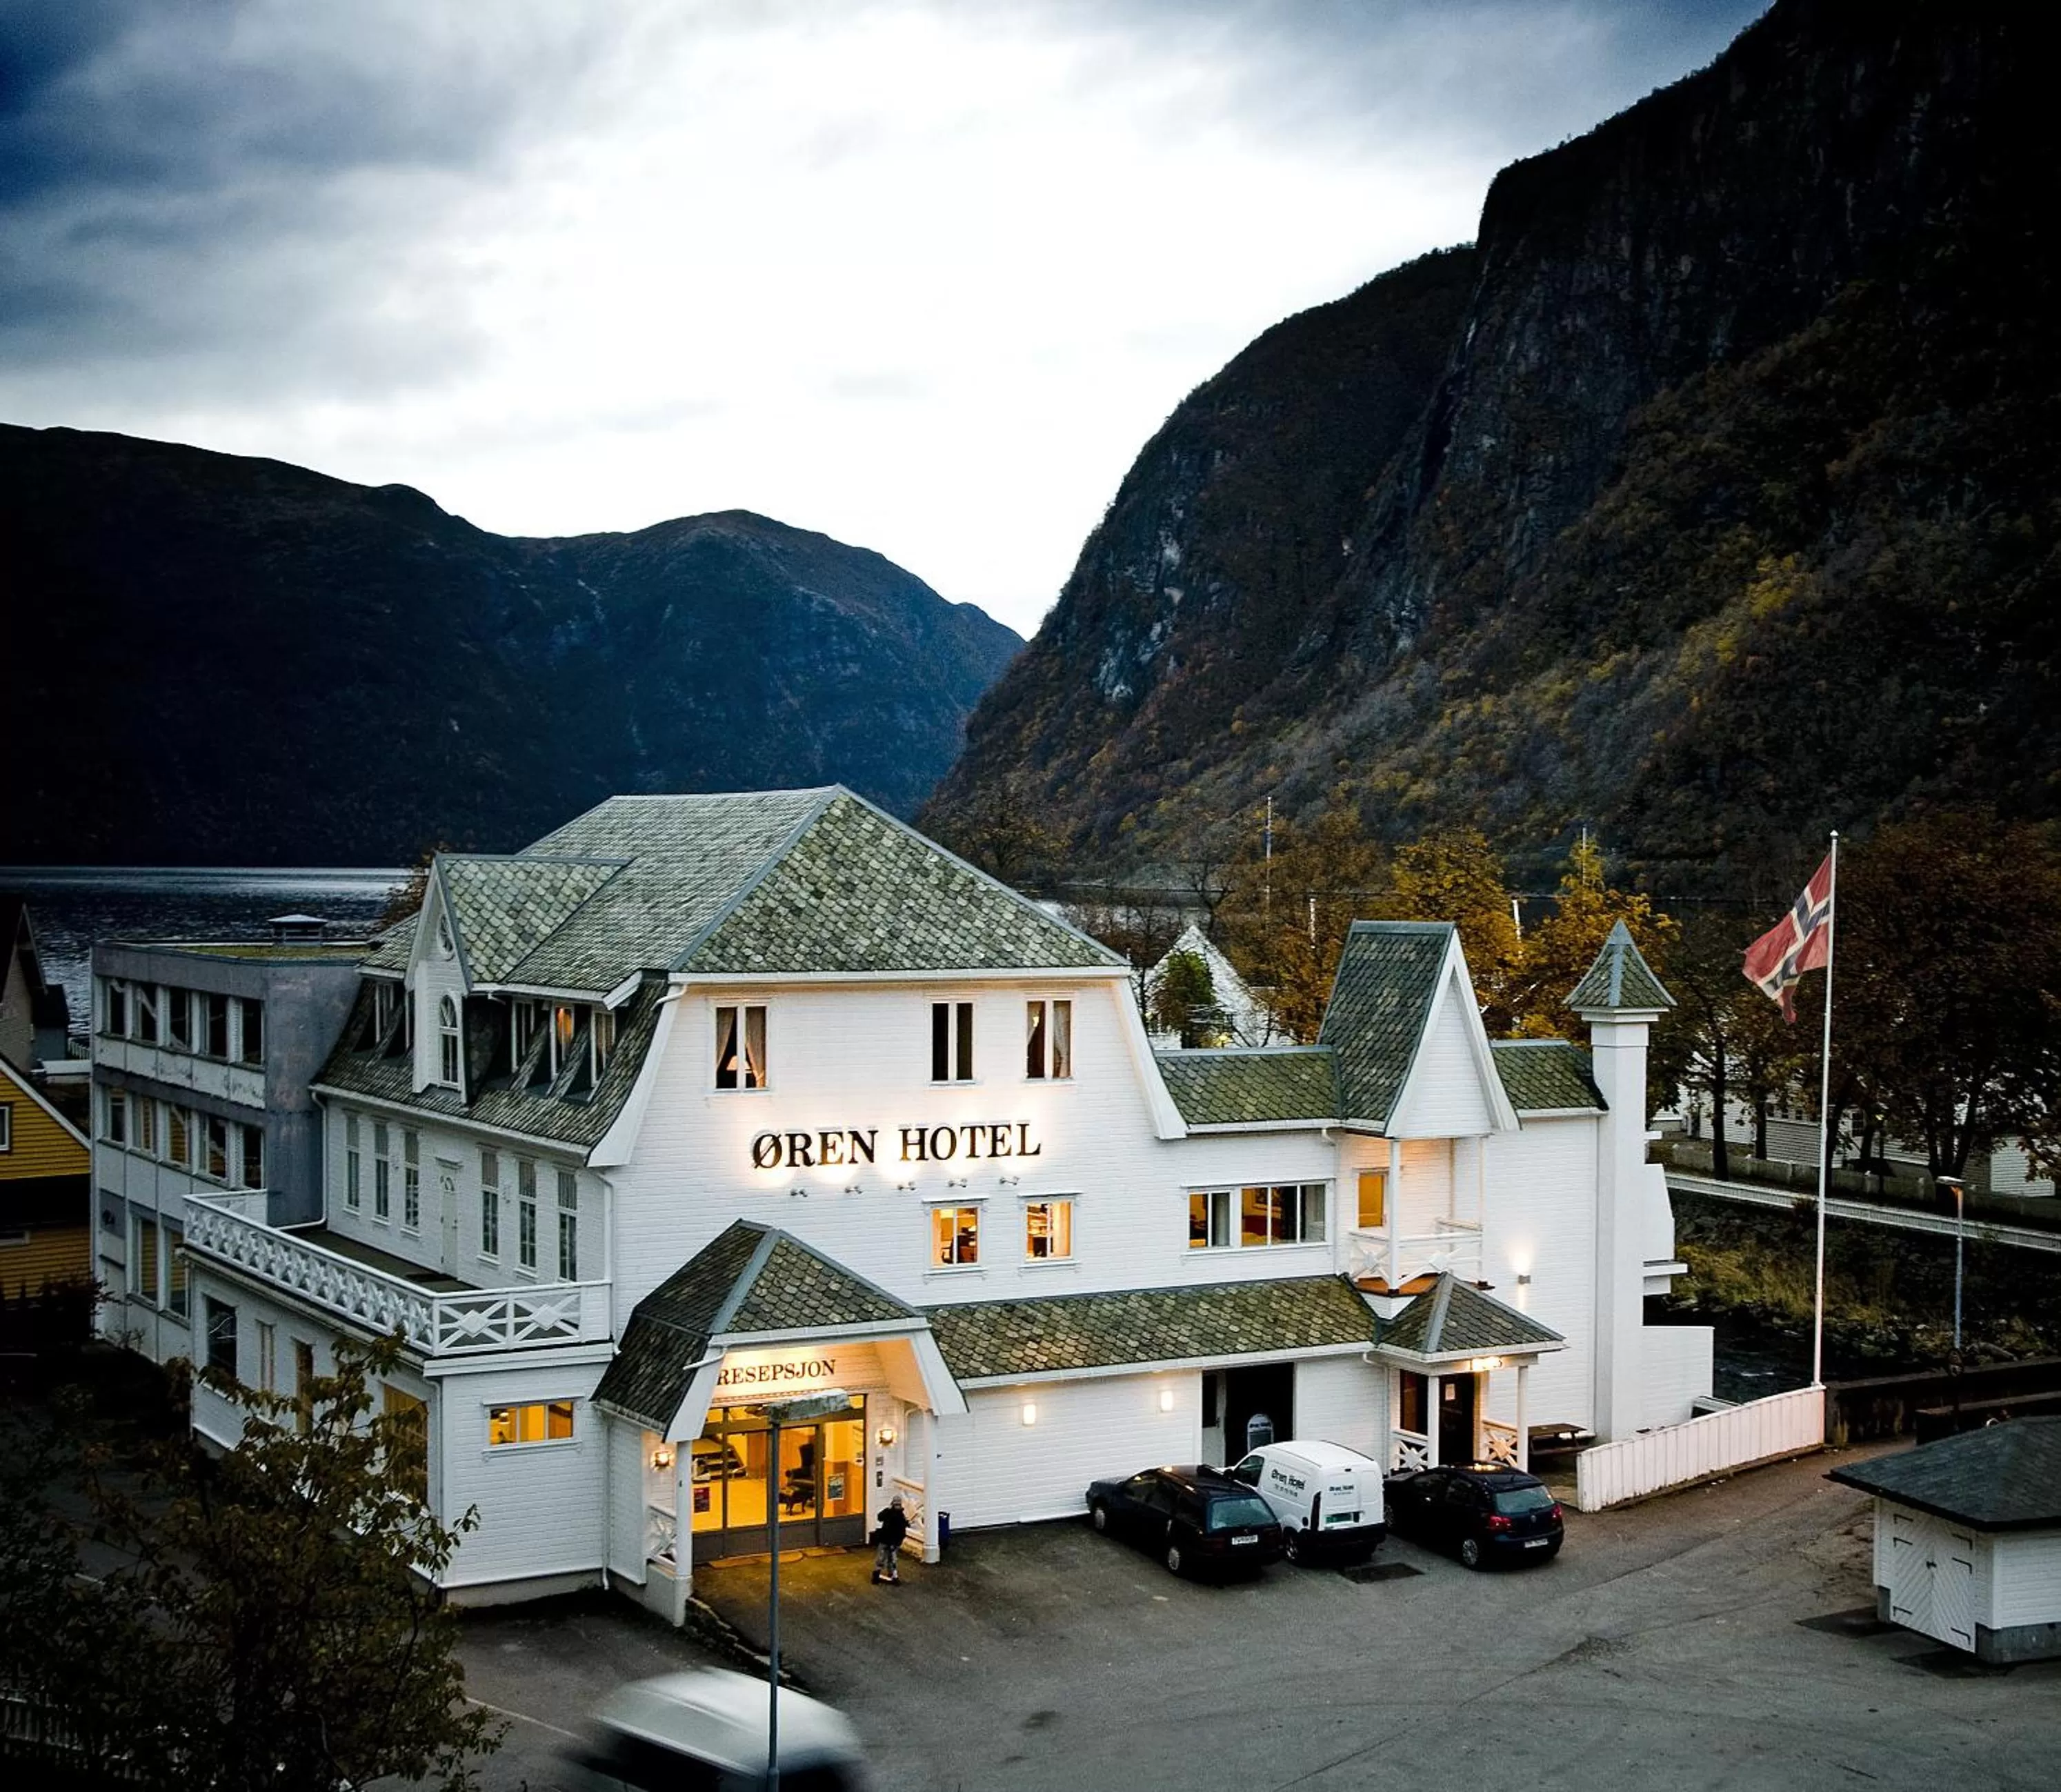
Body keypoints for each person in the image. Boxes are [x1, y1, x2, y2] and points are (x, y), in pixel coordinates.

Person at [870, 1493, 908, 1585]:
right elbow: (880, 1517)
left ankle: (892, 1575)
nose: (897, 1506)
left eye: (898, 1505)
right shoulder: (889, 1513)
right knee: (881, 1558)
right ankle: (878, 1574)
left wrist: (897, 1542)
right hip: (886, 1539)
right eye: (895, 1504)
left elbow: (901, 1531)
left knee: (892, 1559)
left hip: (893, 1541)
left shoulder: (900, 1516)